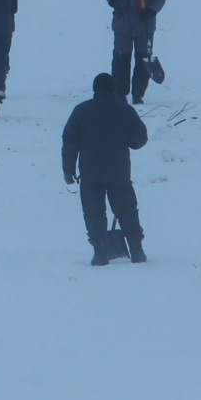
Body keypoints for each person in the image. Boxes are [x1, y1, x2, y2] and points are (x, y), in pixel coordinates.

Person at [61, 72, 149, 265]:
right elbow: (139, 140)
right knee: (127, 210)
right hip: (119, 172)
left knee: (94, 212)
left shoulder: (81, 111)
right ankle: (136, 249)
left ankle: (100, 251)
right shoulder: (124, 110)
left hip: (91, 174)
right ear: (113, 89)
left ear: (95, 90)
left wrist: (68, 170)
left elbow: (69, 142)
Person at [105, 0, 166, 104]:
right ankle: (120, 93)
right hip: (122, 23)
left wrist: (151, 10)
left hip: (144, 26)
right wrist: (113, 0)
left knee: (143, 61)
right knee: (120, 59)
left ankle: (138, 94)